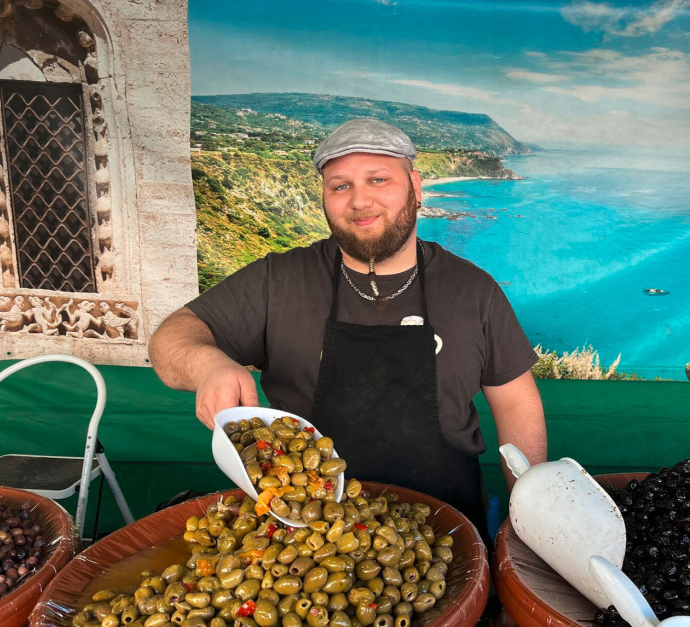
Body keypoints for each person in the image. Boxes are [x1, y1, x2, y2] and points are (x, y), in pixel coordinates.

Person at [149, 118, 547, 538]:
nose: (360, 201)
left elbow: (517, 405)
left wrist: (532, 523)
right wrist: (207, 365)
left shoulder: (473, 289)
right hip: (307, 538)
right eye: (341, 186)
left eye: (378, 179)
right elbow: (171, 337)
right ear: (324, 196)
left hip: (449, 530)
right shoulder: (278, 280)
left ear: (415, 185)